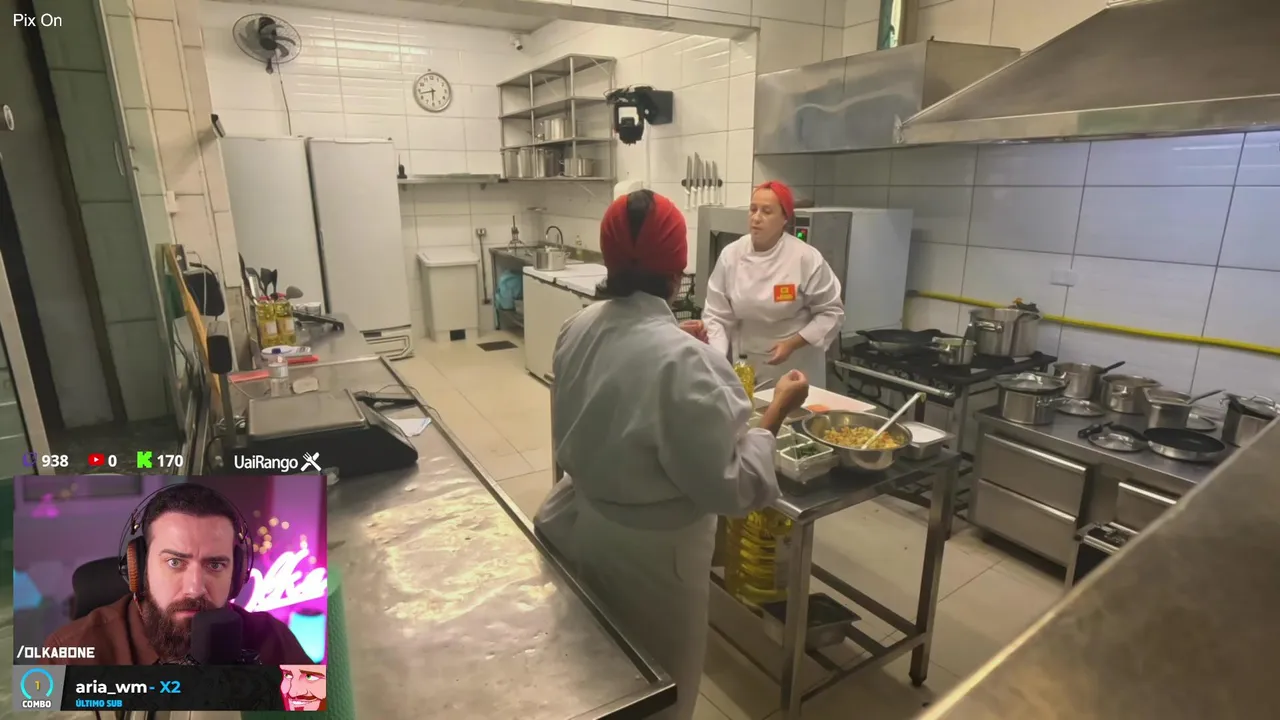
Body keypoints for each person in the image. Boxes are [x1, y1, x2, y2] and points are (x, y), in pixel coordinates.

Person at [533, 189, 810, 720]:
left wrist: (668, 337)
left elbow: (625, 367)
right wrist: (777, 408)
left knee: (594, 680)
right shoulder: (686, 365)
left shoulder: (578, 326)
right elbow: (733, 486)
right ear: (678, 272)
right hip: (654, 564)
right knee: (657, 697)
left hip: (583, 530)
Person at [43, 483, 311, 666]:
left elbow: (316, 709)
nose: (195, 588)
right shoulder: (70, 653)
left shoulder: (273, 642)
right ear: (140, 567)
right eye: (174, 562)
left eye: (215, 565)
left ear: (237, 573)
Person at [701, 180, 845, 388]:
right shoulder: (731, 255)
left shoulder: (805, 258)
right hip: (747, 363)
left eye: (766, 211)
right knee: (753, 407)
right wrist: (718, 360)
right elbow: (716, 315)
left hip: (796, 366)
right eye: (753, 209)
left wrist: (792, 344)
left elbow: (831, 312)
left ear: (784, 218)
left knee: (793, 408)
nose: (756, 217)